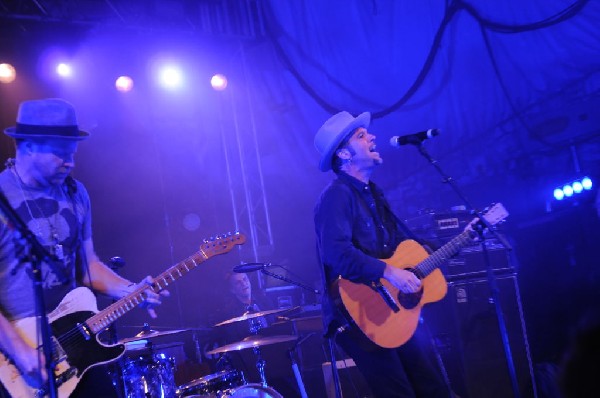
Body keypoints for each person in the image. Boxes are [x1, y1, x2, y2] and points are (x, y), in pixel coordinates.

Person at [0, 98, 168, 398]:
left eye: (73, 154)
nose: (71, 163)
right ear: (28, 147)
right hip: (14, 359)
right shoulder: (3, 198)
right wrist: (23, 354)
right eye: (60, 154)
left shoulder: (76, 193)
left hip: (73, 344)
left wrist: (129, 291)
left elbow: (87, 266)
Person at [313, 111, 449, 397]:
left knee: (434, 389)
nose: (372, 136)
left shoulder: (374, 194)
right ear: (344, 154)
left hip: (392, 309)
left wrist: (460, 240)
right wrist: (390, 273)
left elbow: (403, 246)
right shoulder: (337, 196)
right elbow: (337, 255)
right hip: (358, 315)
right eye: (361, 136)